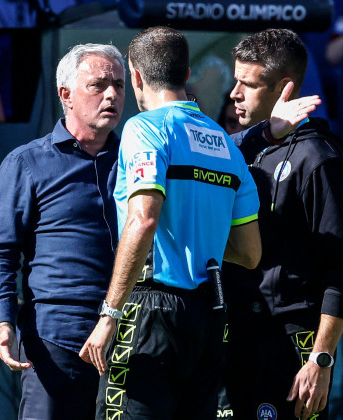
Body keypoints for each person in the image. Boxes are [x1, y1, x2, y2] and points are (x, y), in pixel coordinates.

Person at [80, 26, 262, 419]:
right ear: (187, 73)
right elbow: (249, 253)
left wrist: (110, 314)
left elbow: (143, 220)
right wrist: (199, 238)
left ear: (138, 77)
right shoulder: (226, 145)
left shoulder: (144, 129)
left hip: (149, 311)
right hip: (209, 318)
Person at [220, 29, 343, 420]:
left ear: (284, 88)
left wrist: (321, 359)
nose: (234, 93)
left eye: (247, 84)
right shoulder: (245, 148)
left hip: (290, 341)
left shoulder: (317, 158)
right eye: (235, 81)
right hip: (234, 332)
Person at [0, 43, 125, 420]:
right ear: (66, 94)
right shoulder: (27, 162)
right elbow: (0, 252)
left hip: (129, 341)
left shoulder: (137, 158)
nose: (112, 94)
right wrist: (3, 320)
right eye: (99, 85)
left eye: (119, 85)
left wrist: (266, 134)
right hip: (57, 343)